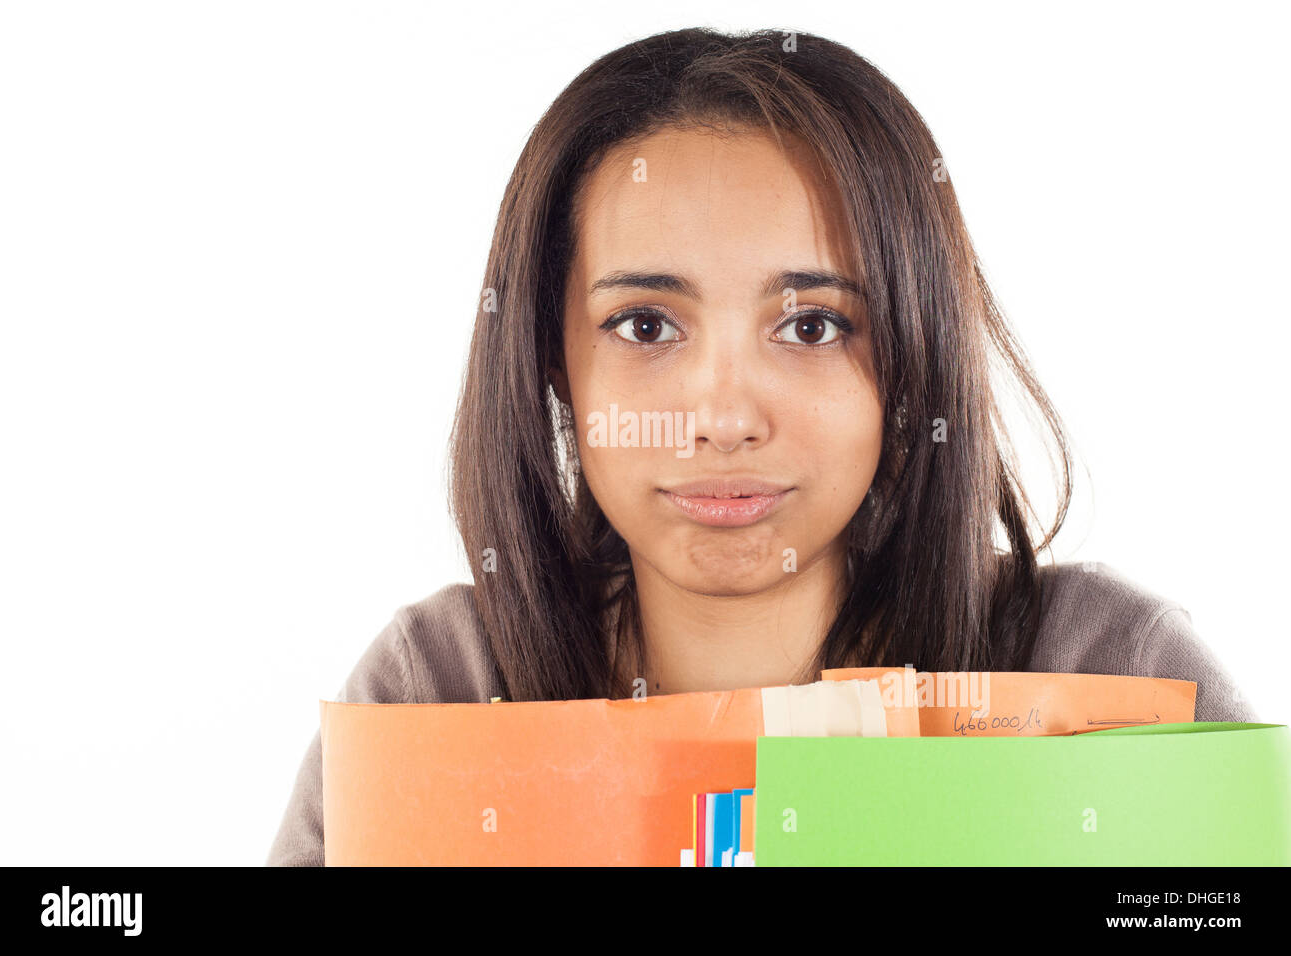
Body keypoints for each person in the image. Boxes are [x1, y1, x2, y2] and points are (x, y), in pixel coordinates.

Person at [266, 26, 1256, 866]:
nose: (723, 417)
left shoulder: (1114, 675)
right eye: (646, 326)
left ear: (909, 364)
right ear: (550, 363)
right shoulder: (434, 686)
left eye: (813, 326)